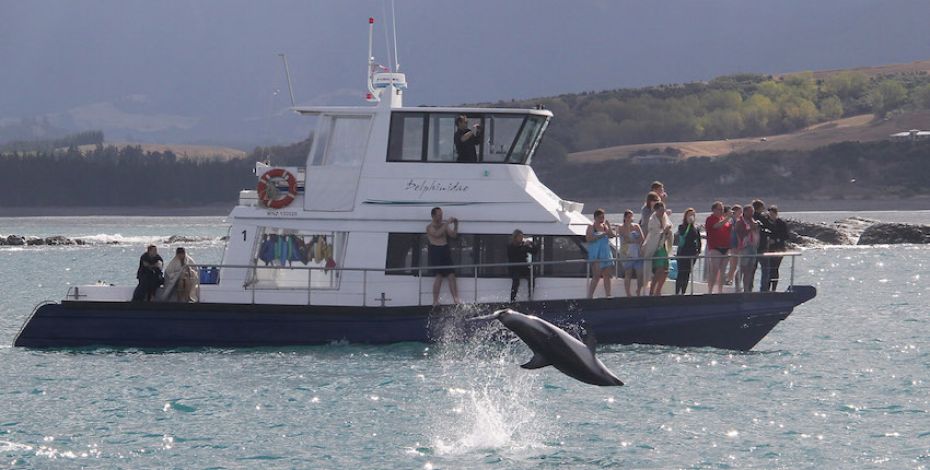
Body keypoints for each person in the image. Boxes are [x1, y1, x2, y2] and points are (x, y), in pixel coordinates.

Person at [427, 207, 461, 306]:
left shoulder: (443, 225)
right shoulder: (429, 227)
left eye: (441, 215)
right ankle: (435, 300)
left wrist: (456, 224)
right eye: (439, 215)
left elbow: (453, 235)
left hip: (445, 249)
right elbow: (437, 234)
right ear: (433, 216)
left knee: (451, 275)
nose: (441, 217)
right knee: (439, 276)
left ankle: (456, 299)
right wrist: (447, 224)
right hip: (436, 250)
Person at [643, 202, 673, 296]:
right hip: (655, 246)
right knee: (659, 269)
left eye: (663, 209)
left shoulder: (665, 217)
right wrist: (664, 231)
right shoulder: (652, 220)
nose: (662, 212)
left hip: (662, 245)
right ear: (656, 210)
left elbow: (669, 227)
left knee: (666, 269)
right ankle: (652, 289)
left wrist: (668, 231)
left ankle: (658, 290)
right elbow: (654, 233)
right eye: (660, 210)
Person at [586, 208, 616, 298]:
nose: (601, 219)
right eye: (600, 217)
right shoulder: (591, 227)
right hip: (597, 254)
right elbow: (589, 239)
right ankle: (590, 295)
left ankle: (608, 295)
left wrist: (609, 227)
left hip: (606, 253)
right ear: (595, 218)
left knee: (607, 275)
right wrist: (603, 234)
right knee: (596, 275)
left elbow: (612, 235)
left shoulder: (604, 226)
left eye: (603, 217)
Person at [704, 201, 732, 294]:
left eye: (722, 209)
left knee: (722, 271)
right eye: (719, 209)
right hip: (715, 247)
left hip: (726, 247)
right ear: (714, 210)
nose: (721, 211)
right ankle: (710, 291)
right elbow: (717, 226)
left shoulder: (724, 219)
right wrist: (727, 218)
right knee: (714, 270)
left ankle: (720, 291)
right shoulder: (710, 219)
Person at [617, 210, 645, 297]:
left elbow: (642, 238)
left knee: (640, 273)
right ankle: (628, 293)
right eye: (628, 217)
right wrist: (629, 228)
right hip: (626, 253)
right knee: (628, 272)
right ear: (624, 218)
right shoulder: (621, 227)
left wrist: (637, 243)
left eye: (631, 217)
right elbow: (626, 239)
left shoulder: (636, 226)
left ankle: (638, 291)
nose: (630, 219)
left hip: (637, 252)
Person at [507, 229, 539, 303]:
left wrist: (532, 244)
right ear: (515, 237)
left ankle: (530, 297)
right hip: (514, 268)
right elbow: (513, 255)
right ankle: (512, 299)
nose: (521, 238)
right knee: (516, 280)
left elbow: (534, 252)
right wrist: (524, 247)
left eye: (522, 237)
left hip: (523, 268)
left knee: (531, 277)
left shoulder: (523, 245)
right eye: (519, 237)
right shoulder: (510, 246)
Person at [675, 208, 701, 295]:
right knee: (681, 272)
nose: (691, 217)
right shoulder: (681, 226)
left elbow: (698, 239)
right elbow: (683, 234)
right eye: (689, 215)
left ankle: (683, 292)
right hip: (683, 252)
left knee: (687, 273)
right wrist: (689, 225)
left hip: (692, 252)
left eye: (693, 215)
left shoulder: (696, 227)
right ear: (685, 216)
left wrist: (698, 251)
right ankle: (677, 292)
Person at [735, 205, 760, 293]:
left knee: (750, 269)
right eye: (749, 211)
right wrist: (750, 229)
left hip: (753, 247)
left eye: (752, 211)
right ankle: (737, 287)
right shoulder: (740, 222)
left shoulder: (753, 221)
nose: (751, 213)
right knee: (742, 267)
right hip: (744, 247)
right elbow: (740, 233)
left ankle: (746, 289)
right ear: (745, 212)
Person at [752, 199, 776, 291]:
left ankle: (748, 288)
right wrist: (770, 219)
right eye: (763, 207)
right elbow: (771, 227)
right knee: (765, 269)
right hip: (761, 246)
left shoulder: (749, 217)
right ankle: (764, 289)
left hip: (752, 247)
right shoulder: (761, 217)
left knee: (751, 270)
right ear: (760, 208)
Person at [766, 206, 789, 291]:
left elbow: (786, 236)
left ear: (776, 214)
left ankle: (774, 288)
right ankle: (767, 288)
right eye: (769, 214)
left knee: (775, 268)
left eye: (772, 214)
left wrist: (776, 240)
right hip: (769, 249)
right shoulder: (767, 223)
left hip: (779, 248)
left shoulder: (781, 223)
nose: (770, 216)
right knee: (768, 268)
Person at [724, 204, 742, 287]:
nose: (741, 213)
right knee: (733, 264)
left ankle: (729, 279)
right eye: (739, 212)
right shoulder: (732, 220)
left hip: (736, 244)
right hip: (733, 244)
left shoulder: (737, 221)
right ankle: (727, 279)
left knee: (734, 265)